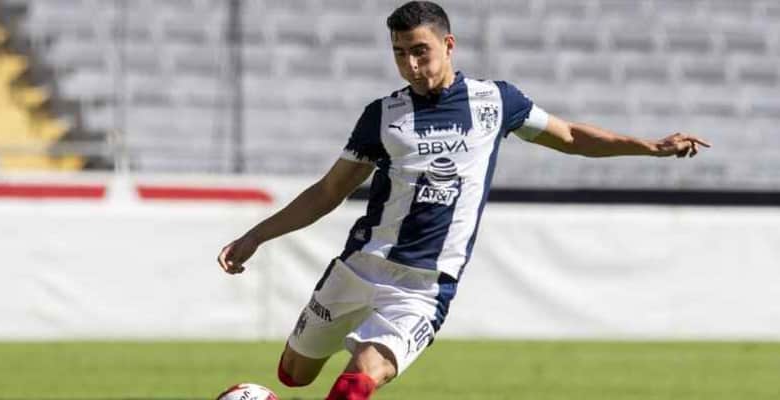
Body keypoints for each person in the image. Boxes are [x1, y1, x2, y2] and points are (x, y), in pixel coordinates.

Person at [217, 2, 711, 399]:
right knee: (293, 375)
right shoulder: (383, 116)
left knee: (354, 385)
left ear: (448, 45)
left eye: (421, 51)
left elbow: (570, 136)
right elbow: (329, 191)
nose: (412, 65)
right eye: (400, 54)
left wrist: (649, 146)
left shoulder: (496, 102)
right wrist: (255, 236)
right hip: (358, 268)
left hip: (422, 288)